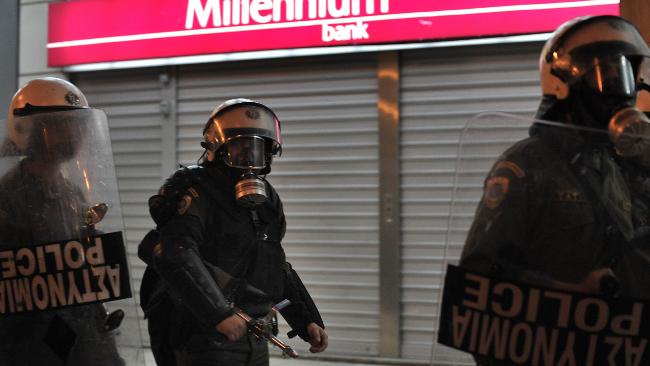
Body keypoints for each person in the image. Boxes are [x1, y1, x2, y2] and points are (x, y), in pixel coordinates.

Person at [460, 15, 650, 302]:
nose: (624, 92)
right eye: (607, 76)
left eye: (626, 75)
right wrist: (567, 292)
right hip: (558, 339)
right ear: (564, 85)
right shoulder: (526, 165)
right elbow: (480, 273)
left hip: (620, 341)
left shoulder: (621, 162)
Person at [139, 98, 327, 366]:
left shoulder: (268, 200)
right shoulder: (197, 189)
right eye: (240, 148)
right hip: (203, 336)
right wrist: (218, 314)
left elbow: (272, 265)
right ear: (216, 148)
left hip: (253, 333)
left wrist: (306, 319)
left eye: (259, 149)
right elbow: (175, 253)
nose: (250, 159)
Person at [0, 77, 124, 365]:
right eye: (60, 126)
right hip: (34, 341)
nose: (74, 135)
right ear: (28, 130)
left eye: (77, 125)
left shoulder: (70, 189)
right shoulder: (10, 195)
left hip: (81, 329)